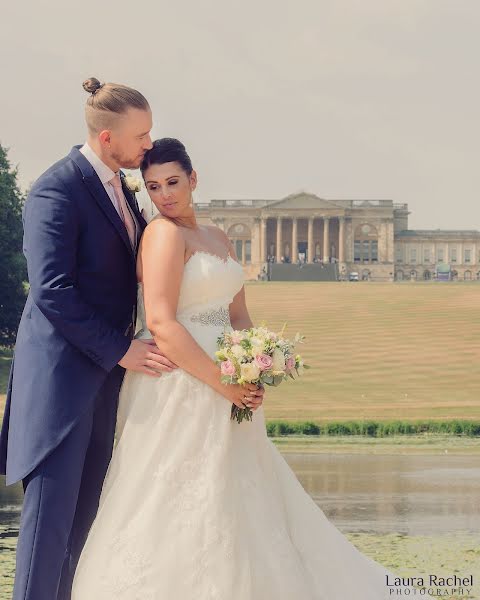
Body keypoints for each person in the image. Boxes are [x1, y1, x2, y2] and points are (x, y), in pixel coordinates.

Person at [71, 138, 415, 600]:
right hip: (181, 382)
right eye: (153, 187)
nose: (165, 195)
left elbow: (238, 316)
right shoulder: (163, 235)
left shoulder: (217, 236)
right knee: (176, 494)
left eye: (173, 182)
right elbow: (160, 322)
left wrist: (255, 365)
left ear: (194, 179)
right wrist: (223, 383)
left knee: (239, 495)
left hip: (231, 382)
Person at [0, 78, 179, 600]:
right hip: (60, 388)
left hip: (102, 384)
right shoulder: (56, 188)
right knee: (47, 533)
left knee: (83, 531)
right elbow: (52, 291)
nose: (149, 144)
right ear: (107, 139)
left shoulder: (120, 189)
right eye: (141, 135)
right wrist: (122, 349)